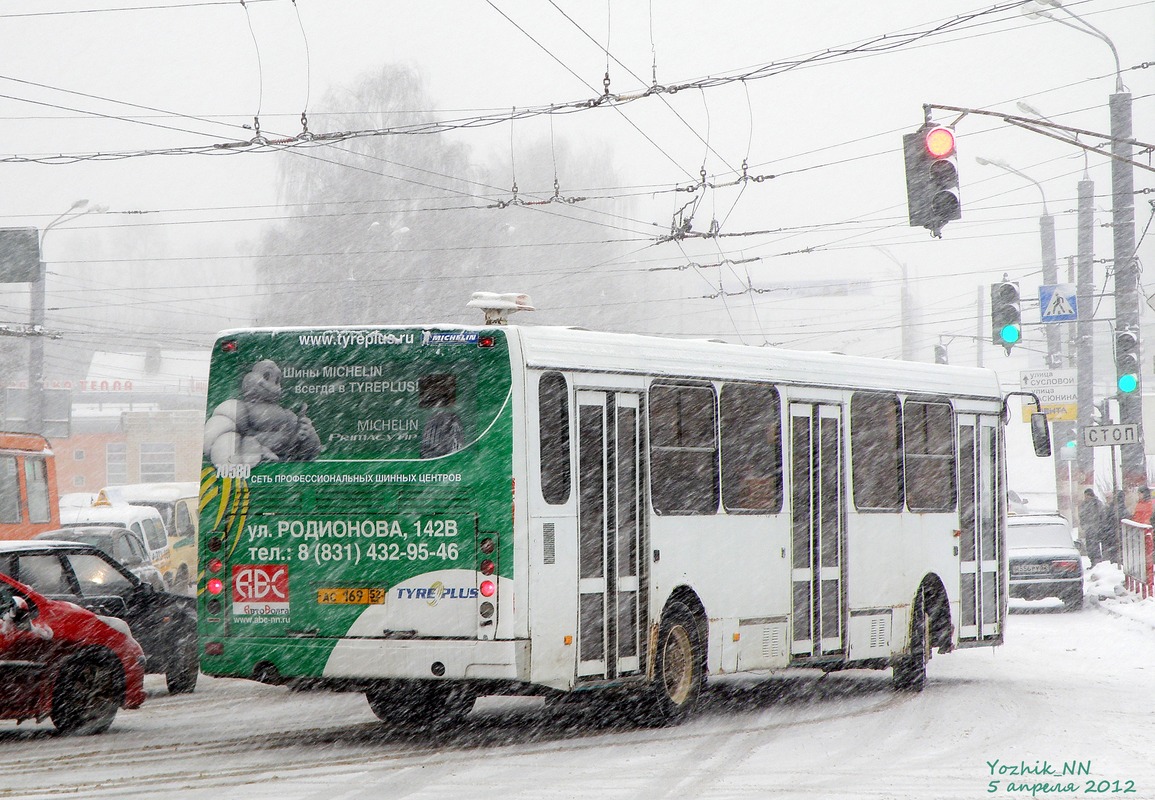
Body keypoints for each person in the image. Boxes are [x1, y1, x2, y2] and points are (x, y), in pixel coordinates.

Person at [1077, 488, 1108, 564]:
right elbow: (1081, 515)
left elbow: (1102, 515)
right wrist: (1083, 524)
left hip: (1096, 529)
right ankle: (1093, 561)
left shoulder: (1097, 504)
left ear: (1089, 495)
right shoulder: (1084, 504)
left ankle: (1096, 562)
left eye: (1086, 495)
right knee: (1090, 547)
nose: (1085, 497)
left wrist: (1100, 526)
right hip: (1089, 529)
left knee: (1095, 546)